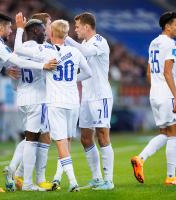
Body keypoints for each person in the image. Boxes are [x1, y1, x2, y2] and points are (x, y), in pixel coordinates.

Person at [0, 13, 57, 193]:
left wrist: (7, 72)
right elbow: (17, 60)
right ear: (1, 27)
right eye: (9, 27)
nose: (10, 30)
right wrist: (42, 66)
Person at [14, 15, 92, 191]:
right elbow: (89, 73)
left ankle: (73, 183)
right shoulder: (75, 52)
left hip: (55, 103)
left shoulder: (45, 51)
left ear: (52, 33)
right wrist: (72, 80)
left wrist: (20, 28)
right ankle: (59, 178)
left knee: (61, 144)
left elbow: (18, 49)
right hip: (73, 103)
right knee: (68, 141)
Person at [130, 11, 176, 186]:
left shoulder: (153, 43)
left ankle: (140, 159)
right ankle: (171, 177)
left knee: (165, 133)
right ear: (168, 26)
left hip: (155, 94)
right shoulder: (171, 44)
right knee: (174, 133)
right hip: (167, 94)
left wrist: (157, 90)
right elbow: (167, 72)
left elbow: (149, 72)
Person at [65, 12, 114, 190]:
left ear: (87, 27)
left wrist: (66, 37)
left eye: (77, 27)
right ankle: (97, 178)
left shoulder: (99, 41)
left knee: (102, 135)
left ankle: (109, 181)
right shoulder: (84, 43)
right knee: (85, 138)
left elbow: (84, 52)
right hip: (86, 97)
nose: (75, 30)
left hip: (101, 96)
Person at [5, 13, 53, 191]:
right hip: (37, 99)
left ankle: (17, 173)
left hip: (23, 98)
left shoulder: (19, 50)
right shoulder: (39, 50)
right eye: (42, 29)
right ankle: (26, 182)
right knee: (32, 141)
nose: (44, 33)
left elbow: (14, 80)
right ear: (34, 30)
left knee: (30, 138)